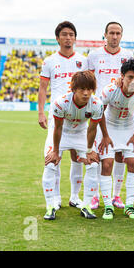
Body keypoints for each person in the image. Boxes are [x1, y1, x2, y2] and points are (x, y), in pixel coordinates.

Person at [38, 21, 88, 211]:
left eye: (71, 34)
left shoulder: (83, 60)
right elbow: (43, 88)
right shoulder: (49, 61)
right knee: (54, 156)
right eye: (64, 34)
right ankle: (56, 197)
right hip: (57, 116)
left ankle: (75, 197)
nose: (68, 38)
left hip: (79, 117)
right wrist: (41, 112)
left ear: (75, 38)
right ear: (58, 38)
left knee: (77, 157)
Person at [43, 71, 104, 220]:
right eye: (82, 89)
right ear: (73, 89)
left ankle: (86, 204)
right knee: (50, 163)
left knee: (93, 164)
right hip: (61, 132)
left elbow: (92, 128)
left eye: (89, 89)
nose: (86, 93)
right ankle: (50, 205)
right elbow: (57, 128)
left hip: (81, 133)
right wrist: (56, 151)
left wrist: (89, 151)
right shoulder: (61, 102)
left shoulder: (97, 104)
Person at [88, 21, 134, 210]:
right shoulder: (94, 55)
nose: (114, 36)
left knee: (120, 155)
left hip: (122, 113)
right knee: (97, 154)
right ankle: (95, 195)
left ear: (121, 35)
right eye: (111, 33)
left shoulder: (128, 55)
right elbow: (90, 81)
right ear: (105, 35)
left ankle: (116, 195)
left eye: (118, 33)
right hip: (100, 110)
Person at [97, 59, 134, 219]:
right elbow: (99, 112)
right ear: (122, 76)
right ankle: (108, 206)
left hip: (129, 129)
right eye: (130, 77)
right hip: (110, 128)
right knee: (106, 164)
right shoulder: (110, 90)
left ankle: (129, 206)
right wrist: (105, 136)